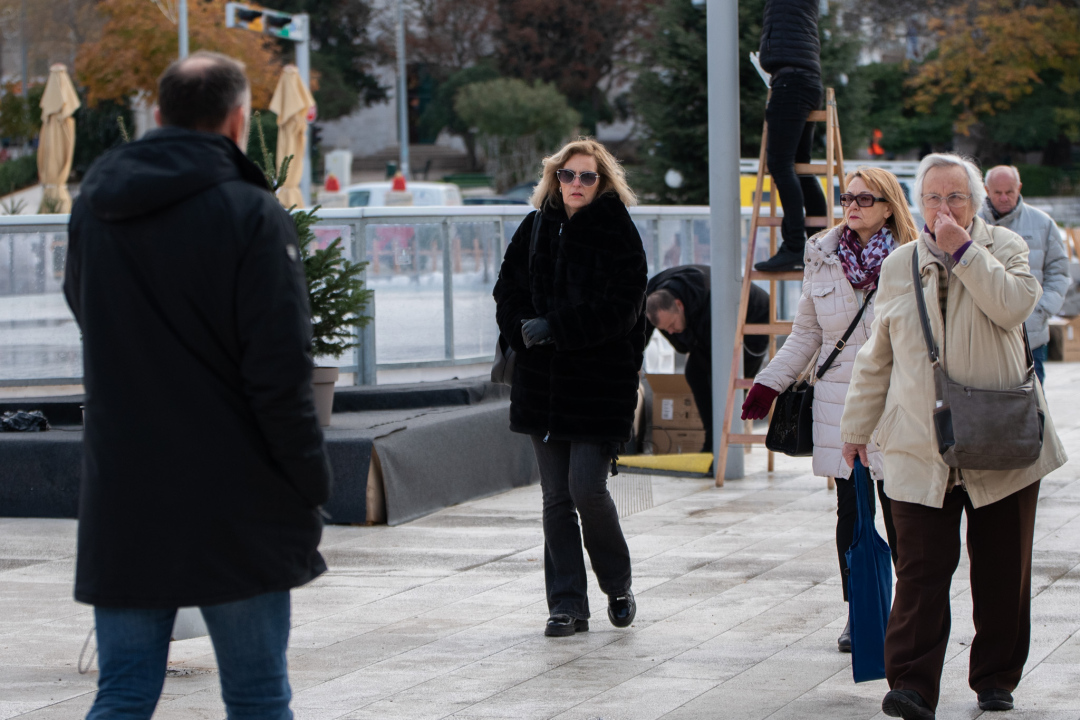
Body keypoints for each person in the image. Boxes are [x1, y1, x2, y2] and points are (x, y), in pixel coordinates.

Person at [65, 52, 332, 719]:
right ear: (239, 121)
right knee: (258, 695)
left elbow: (82, 304)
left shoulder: (95, 204)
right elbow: (280, 371)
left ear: (158, 115)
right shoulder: (251, 212)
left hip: (125, 485)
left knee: (122, 693)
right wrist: (310, 480)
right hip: (237, 493)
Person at [840, 153, 1067, 720]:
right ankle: (912, 686)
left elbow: (1014, 306)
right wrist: (856, 427)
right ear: (919, 204)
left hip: (1000, 438)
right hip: (921, 443)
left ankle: (995, 678)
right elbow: (877, 355)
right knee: (919, 571)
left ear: (976, 203)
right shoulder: (899, 264)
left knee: (1002, 569)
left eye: (956, 197)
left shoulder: (1006, 248)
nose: (945, 208)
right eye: (934, 198)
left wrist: (965, 251)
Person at [741, 167, 916, 652]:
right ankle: (860, 612)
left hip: (899, 402)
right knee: (853, 515)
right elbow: (808, 334)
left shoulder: (913, 257)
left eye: (864, 198)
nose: (852, 206)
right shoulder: (821, 255)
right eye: (846, 198)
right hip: (840, 403)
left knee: (902, 515)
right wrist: (770, 383)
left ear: (888, 207)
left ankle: (907, 613)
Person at [493, 138, 646, 638]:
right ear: (554, 179)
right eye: (567, 175)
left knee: (587, 488)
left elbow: (624, 309)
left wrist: (557, 327)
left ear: (602, 182)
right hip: (541, 383)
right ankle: (566, 605)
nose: (575, 184)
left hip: (599, 385)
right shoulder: (535, 225)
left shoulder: (618, 230)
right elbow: (506, 290)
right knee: (555, 497)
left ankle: (617, 584)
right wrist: (522, 328)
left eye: (586, 176)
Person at [645, 267, 770, 453]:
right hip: (714, 319)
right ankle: (714, 442)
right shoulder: (651, 299)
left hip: (755, 317)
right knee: (695, 372)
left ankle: (721, 446)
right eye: (665, 330)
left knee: (727, 384)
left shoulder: (710, 305)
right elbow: (639, 338)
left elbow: (713, 357)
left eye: (671, 325)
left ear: (679, 305)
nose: (670, 332)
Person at [753, 0, 829, 273]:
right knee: (799, 165)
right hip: (804, 79)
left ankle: (795, 244)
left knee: (780, 163)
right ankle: (821, 243)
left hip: (791, 80)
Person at [979, 165, 1069, 386]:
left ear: (1019, 188)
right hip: (985, 336)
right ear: (986, 190)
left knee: (1033, 399)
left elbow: (1059, 271)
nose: (1004, 198)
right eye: (998, 192)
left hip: (1031, 334)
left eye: (1009, 192)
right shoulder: (971, 223)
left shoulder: (1043, 223)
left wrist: (1042, 309)